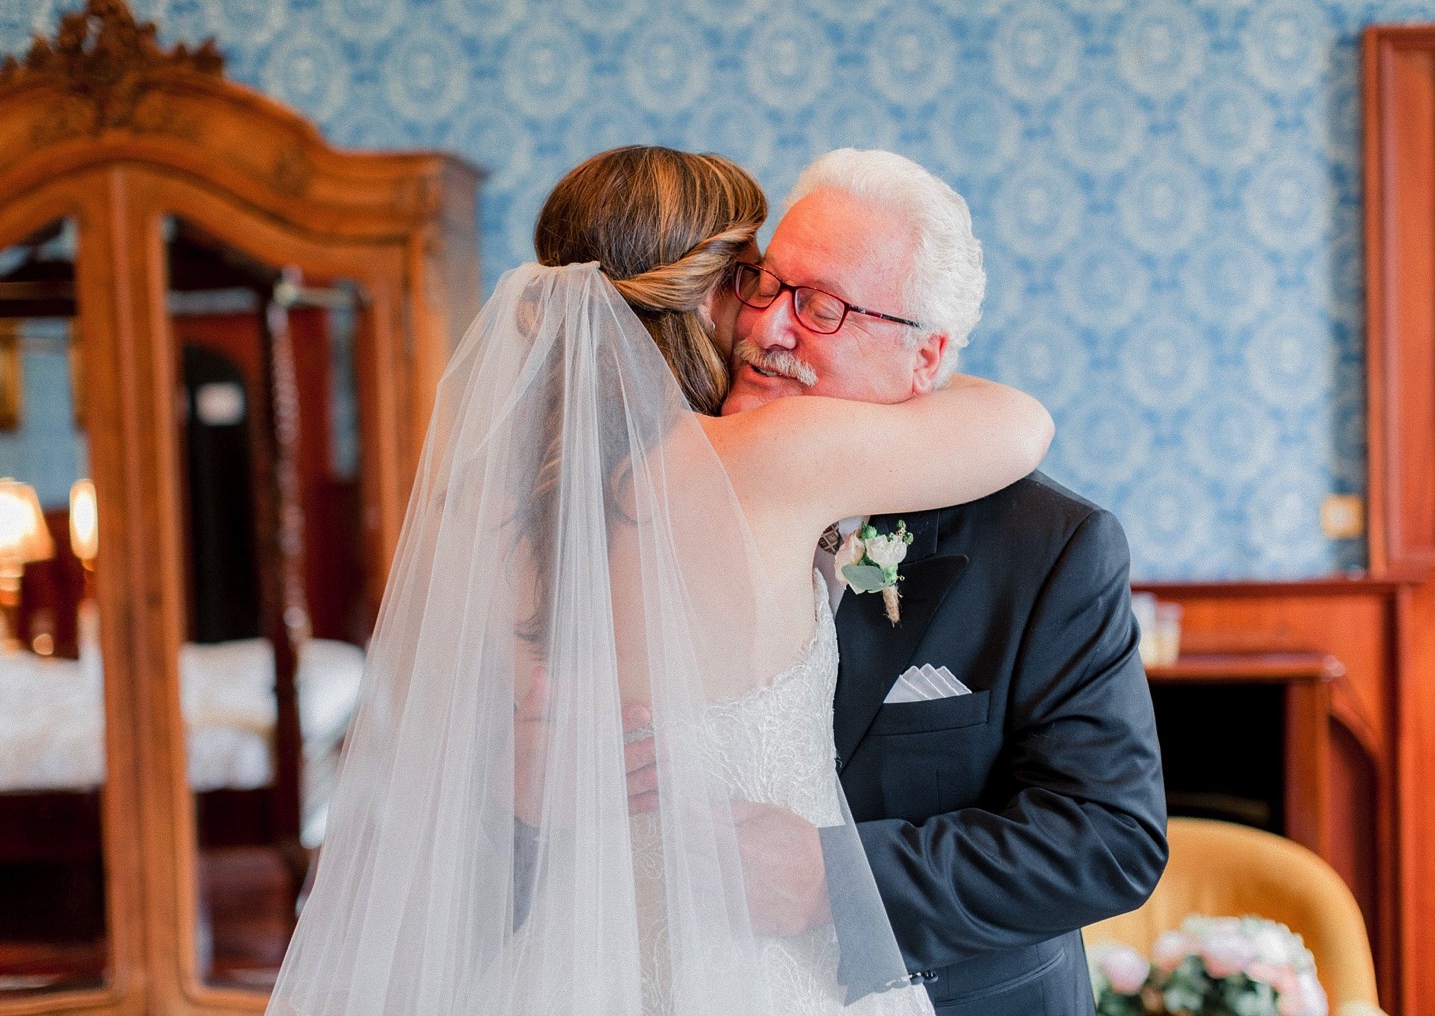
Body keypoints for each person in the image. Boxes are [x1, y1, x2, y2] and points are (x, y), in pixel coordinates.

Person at [264, 146, 1054, 1016]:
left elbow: (456, 774)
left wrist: (513, 780)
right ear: (704, 292)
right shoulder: (766, 464)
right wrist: (906, 354)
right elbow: (1022, 424)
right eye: (755, 280)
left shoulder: (493, 506)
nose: (769, 319)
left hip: (567, 965)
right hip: (758, 973)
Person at [711, 148, 1170, 1015]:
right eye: (765, 285)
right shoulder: (675, 499)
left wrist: (830, 878)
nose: (767, 328)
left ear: (925, 361)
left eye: (823, 308)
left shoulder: (1048, 545)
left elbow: (1111, 839)